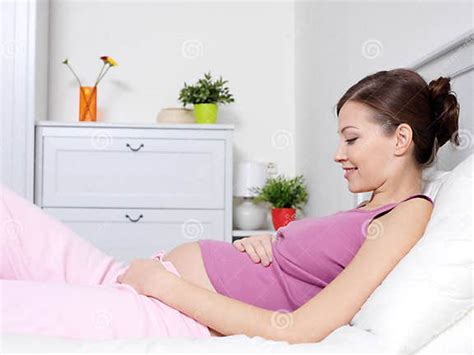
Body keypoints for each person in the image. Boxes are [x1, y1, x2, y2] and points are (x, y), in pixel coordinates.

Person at [0, 68, 460, 343]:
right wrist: (275, 244)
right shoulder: (366, 212)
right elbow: (304, 272)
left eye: (352, 139)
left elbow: (297, 330)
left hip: (169, 309)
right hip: (143, 281)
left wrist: (163, 286)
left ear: (401, 138)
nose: (338, 154)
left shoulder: (408, 214)